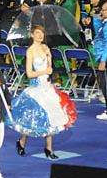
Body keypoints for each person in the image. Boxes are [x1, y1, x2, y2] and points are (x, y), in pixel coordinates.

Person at [7, 25, 76, 158]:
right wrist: (45, 71)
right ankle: (22, 142)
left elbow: (49, 68)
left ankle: (49, 148)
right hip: (36, 88)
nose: (40, 35)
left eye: (42, 33)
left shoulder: (46, 48)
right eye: (37, 33)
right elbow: (29, 73)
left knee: (50, 117)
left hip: (48, 87)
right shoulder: (30, 51)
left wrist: (49, 60)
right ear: (32, 35)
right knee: (31, 118)